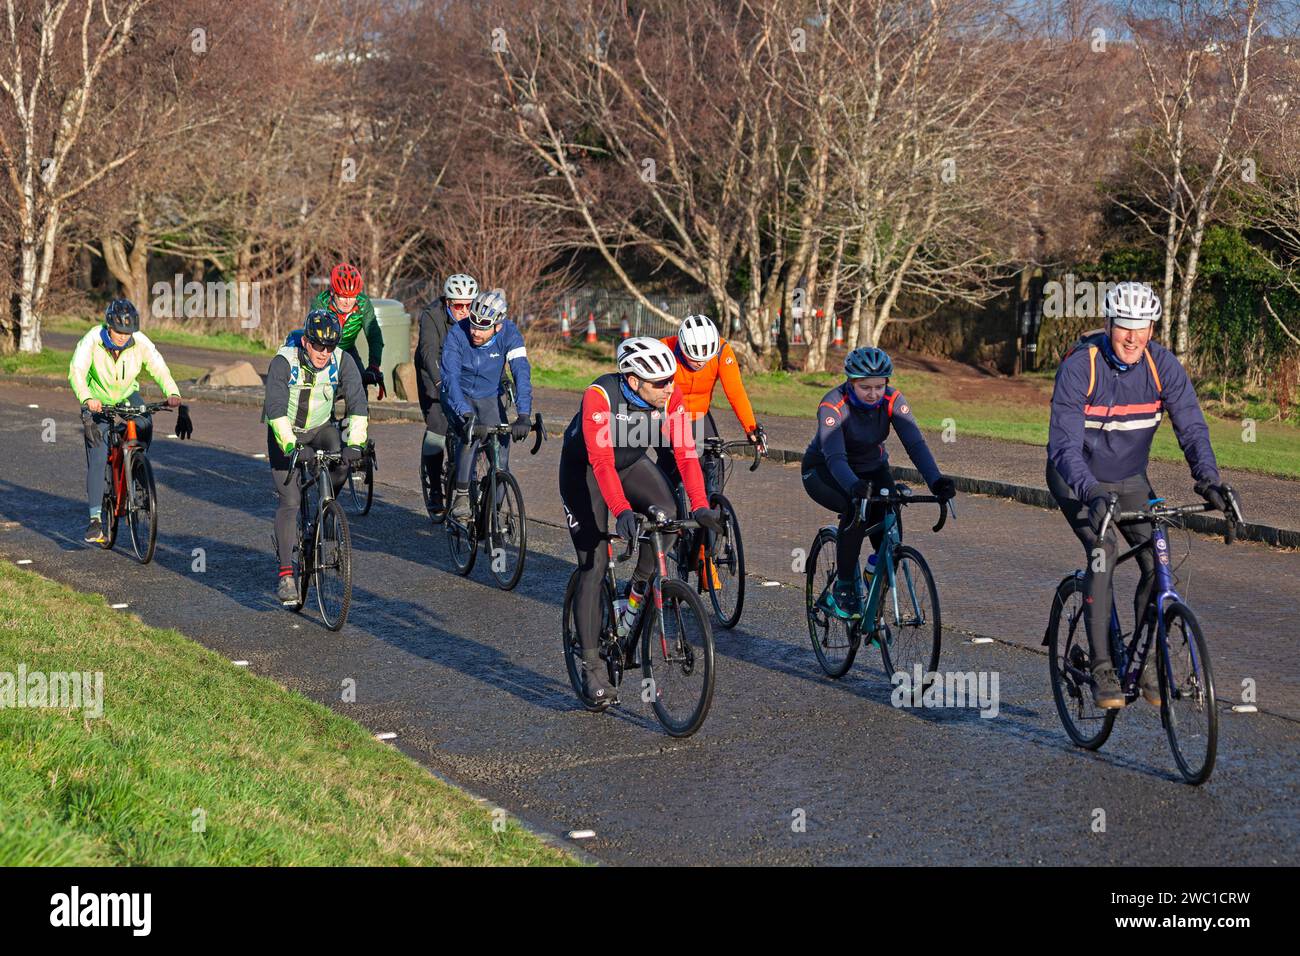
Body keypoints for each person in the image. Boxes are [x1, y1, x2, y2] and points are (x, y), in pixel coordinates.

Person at [1047, 280, 1238, 710]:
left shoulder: (1161, 366)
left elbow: (1190, 424)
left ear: (1152, 327)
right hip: (1075, 479)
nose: (1132, 336)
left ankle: (1148, 659)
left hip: (1130, 479)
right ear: (1109, 323)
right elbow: (1062, 446)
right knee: (1104, 549)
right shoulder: (1083, 366)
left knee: (1159, 555)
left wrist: (1208, 480)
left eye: (1142, 326)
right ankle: (1101, 668)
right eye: (1124, 326)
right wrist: (1090, 493)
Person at [559, 337, 723, 706]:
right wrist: (621, 512)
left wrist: (699, 506)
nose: (669, 387)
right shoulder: (599, 397)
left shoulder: (670, 396)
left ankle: (633, 595)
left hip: (630, 464)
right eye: (659, 383)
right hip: (585, 473)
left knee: (669, 520)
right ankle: (591, 666)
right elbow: (601, 463)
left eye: (670, 379)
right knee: (595, 562)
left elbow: (686, 455)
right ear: (633, 382)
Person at [802, 346, 955, 621]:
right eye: (865, 388)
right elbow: (836, 458)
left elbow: (915, 444)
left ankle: (874, 572)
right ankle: (845, 587)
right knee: (855, 508)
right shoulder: (832, 405)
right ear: (850, 383)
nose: (874, 394)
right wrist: (852, 486)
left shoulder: (893, 400)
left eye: (879, 387)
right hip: (824, 471)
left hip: (873, 468)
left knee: (891, 528)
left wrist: (936, 482)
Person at [263, 309, 369, 605]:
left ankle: (325, 513)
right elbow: (274, 409)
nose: (324, 352)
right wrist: (292, 447)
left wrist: (357, 443)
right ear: (306, 342)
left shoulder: (341, 360)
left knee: (341, 459)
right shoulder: (285, 361)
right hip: (286, 432)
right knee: (291, 501)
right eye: (318, 345)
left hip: (321, 428)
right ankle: (286, 574)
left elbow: (358, 403)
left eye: (330, 346)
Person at [68, 299, 192, 544]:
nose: (124, 336)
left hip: (126, 395)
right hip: (98, 400)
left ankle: (135, 466)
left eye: (128, 332)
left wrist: (173, 393)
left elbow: (158, 366)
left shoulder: (140, 341)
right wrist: (87, 398)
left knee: (145, 422)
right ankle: (95, 520)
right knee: (98, 450)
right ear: (109, 326)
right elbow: (76, 371)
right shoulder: (92, 339)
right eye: (119, 331)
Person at [657, 313, 766, 588]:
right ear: (681, 346)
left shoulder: (721, 351)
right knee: (675, 478)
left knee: (712, 480)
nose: (699, 364)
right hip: (668, 417)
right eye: (693, 358)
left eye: (704, 360)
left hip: (700, 417)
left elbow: (736, 391)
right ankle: (673, 532)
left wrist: (751, 429)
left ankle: (706, 555)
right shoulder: (664, 349)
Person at [439, 288, 533, 524]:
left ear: (498, 326)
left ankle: (492, 514)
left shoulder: (510, 333)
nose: (475, 331)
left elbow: (521, 372)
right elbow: (450, 377)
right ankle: (461, 496)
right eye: (473, 324)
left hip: (489, 397)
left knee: (500, 458)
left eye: (483, 327)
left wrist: (523, 414)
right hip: (458, 395)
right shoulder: (457, 334)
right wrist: (465, 412)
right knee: (469, 435)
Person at [414, 273, 478, 518]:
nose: (463, 311)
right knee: (437, 428)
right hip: (434, 373)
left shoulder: (475, 318)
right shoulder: (432, 316)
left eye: (468, 305)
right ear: (448, 302)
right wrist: (440, 382)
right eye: (458, 305)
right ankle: (435, 492)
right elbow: (428, 352)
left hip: (460, 371)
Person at [305, 262, 385, 402]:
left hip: (348, 348)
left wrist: (374, 365)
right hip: (323, 348)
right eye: (342, 296)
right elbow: (314, 338)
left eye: (352, 296)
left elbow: (374, 336)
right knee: (325, 389)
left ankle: (359, 419)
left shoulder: (363, 304)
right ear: (332, 292)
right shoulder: (321, 303)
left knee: (360, 385)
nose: (348, 302)